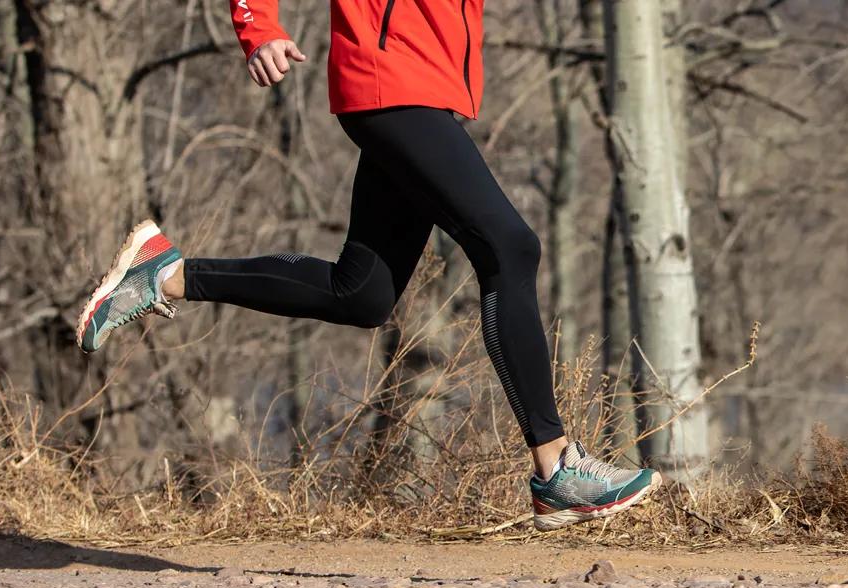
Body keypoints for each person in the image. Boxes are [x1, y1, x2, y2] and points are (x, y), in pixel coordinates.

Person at [75, 0, 661, 531]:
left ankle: (167, 273)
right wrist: (259, 26)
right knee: (510, 247)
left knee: (360, 294)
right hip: (391, 80)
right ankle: (557, 468)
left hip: (427, 90)